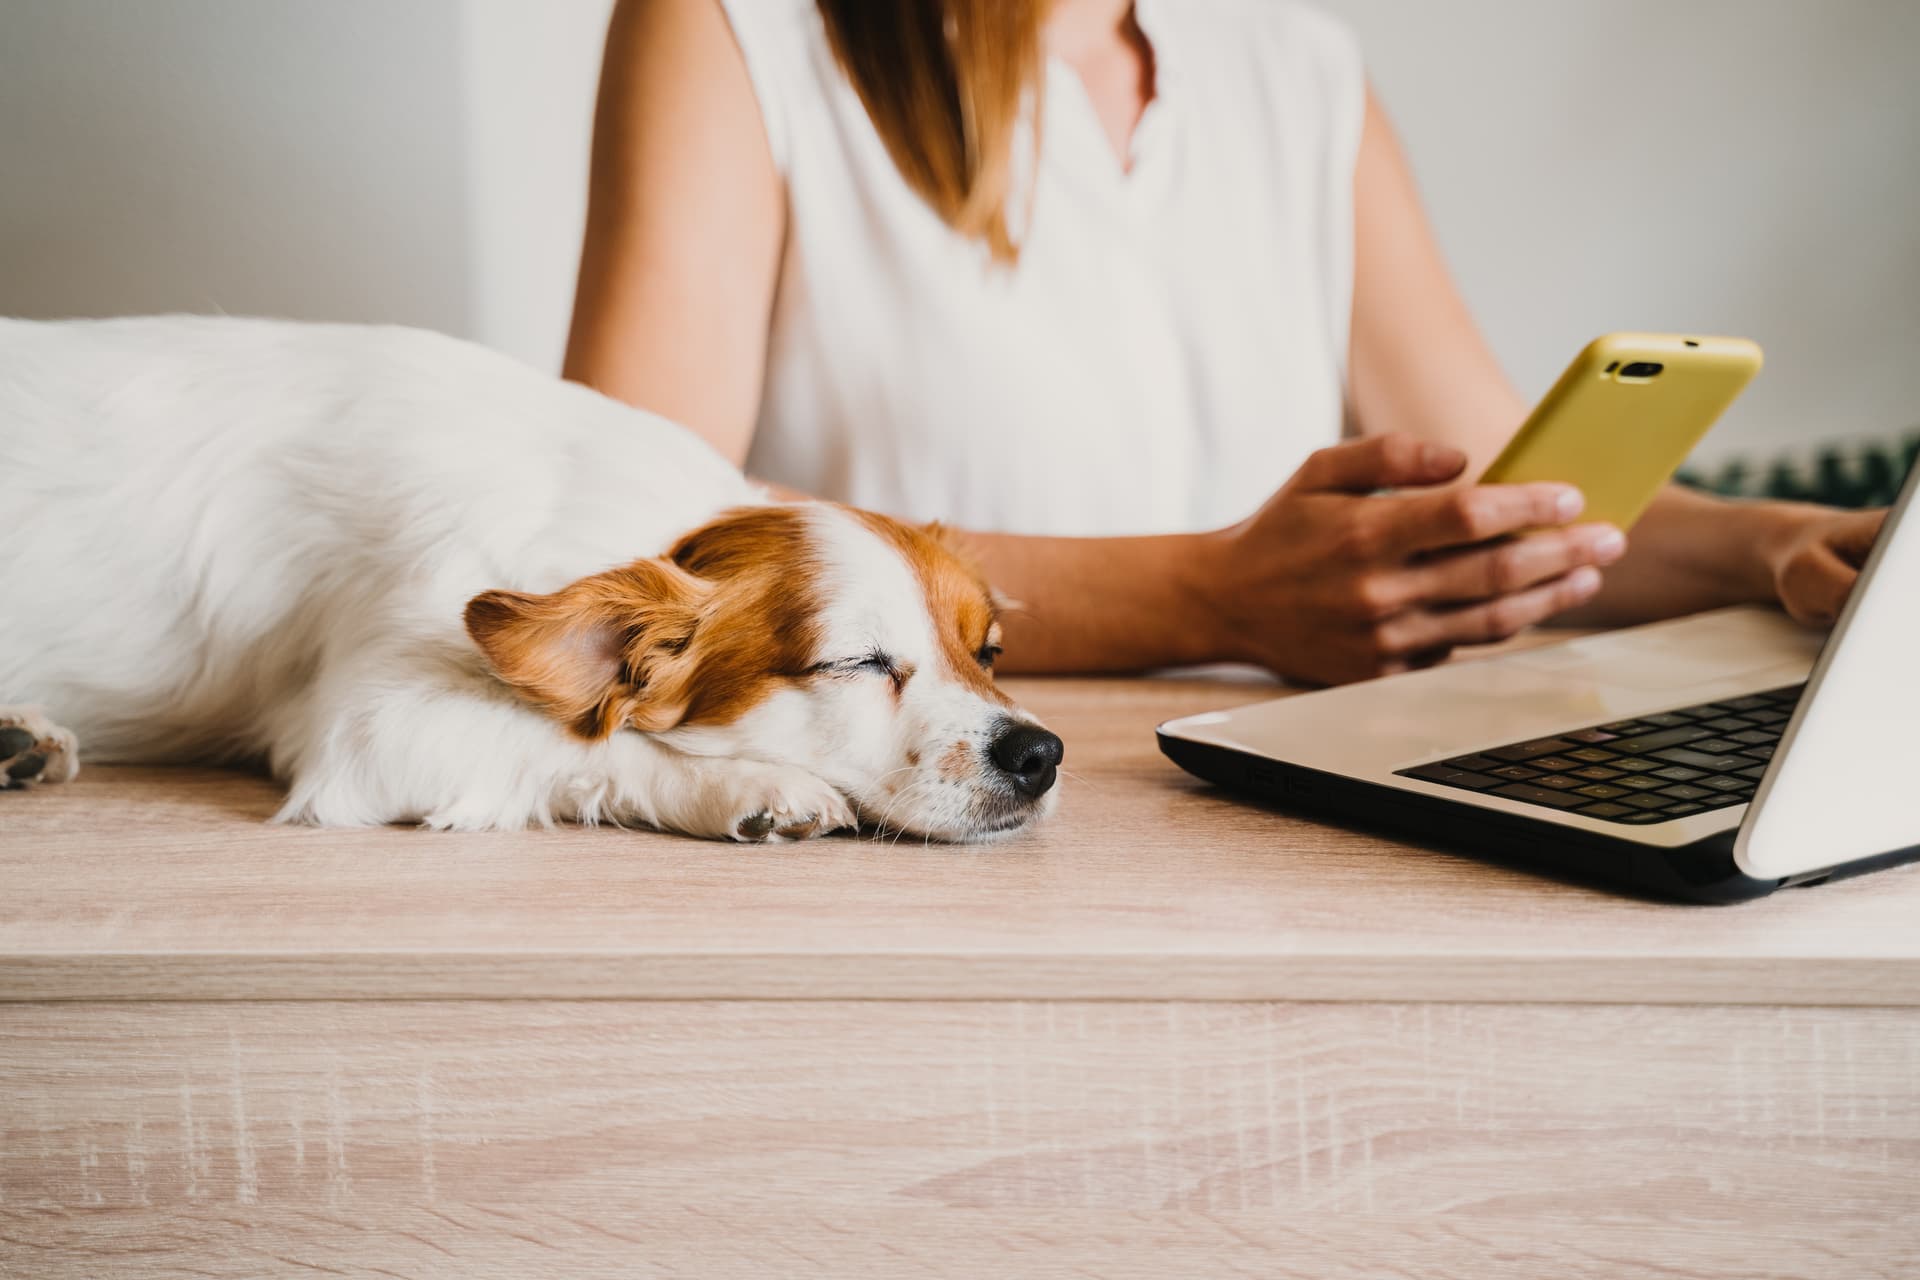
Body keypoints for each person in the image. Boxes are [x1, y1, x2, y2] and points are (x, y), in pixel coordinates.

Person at [563, 0, 1885, 686]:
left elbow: (1516, 495)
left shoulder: (1294, 66)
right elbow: (633, 513)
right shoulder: (739, 30)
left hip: (1276, 822)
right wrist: (1210, 596)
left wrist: (1780, 546)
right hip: (926, 829)